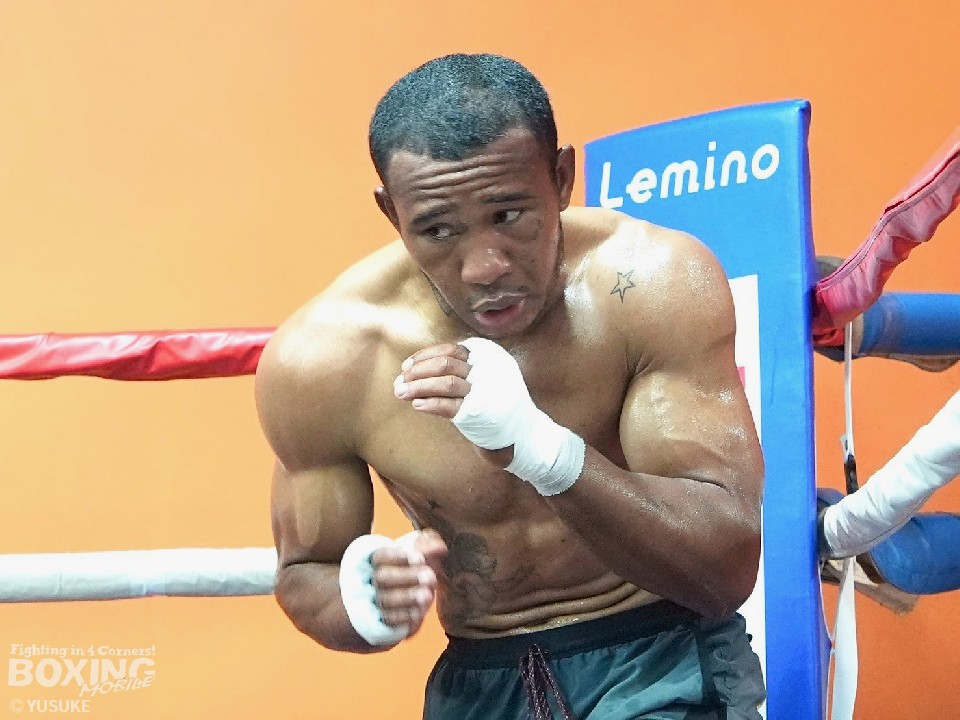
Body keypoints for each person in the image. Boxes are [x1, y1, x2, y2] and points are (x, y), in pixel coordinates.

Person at [255, 53, 766, 719]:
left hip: (660, 651)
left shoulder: (651, 285)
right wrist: (361, 601)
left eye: (509, 214)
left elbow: (725, 570)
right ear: (392, 213)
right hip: (479, 679)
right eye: (437, 229)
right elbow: (305, 573)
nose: (484, 266)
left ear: (561, 178)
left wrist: (539, 450)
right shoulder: (326, 359)